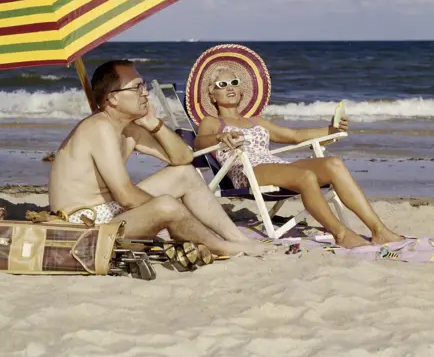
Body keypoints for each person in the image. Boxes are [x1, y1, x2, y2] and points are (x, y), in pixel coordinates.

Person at [49, 59, 272, 257]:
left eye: (143, 86)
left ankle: (238, 239)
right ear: (113, 98)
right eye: (137, 87)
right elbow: (126, 196)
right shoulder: (99, 127)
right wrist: (175, 213)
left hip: (110, 211)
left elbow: (184, 158)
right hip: (83, 226)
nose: (145, 93)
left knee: (184, 175)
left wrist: (153, 124)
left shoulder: (129, 129)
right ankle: (220, 246)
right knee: (167, 205)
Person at [188, 45, 403, 249]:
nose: (230, 88)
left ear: (241, 90)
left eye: (234, 83)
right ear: (212, 95)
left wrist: (331, 130)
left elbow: (294, 136)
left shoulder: (256, 120)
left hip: (275, 165)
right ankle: (341, 234)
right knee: (306, 176)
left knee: (334, 164)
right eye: (222, 85)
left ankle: (379, 230)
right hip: (248, 171)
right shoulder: (213, 122)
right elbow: (199, 143)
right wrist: (220, 137)